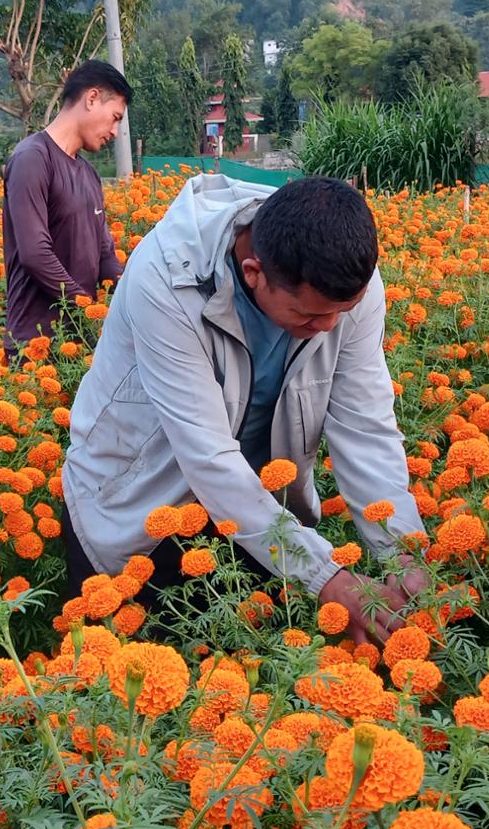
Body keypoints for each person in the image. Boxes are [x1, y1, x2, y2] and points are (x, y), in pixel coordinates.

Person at [60, 173, 429, 645]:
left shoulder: (343, 281)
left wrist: (402, 553)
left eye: (344, 310)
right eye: (312, 316)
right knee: (119, 681)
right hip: (140, 503)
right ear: (253, 272)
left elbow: (365, 424)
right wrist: (326, 577)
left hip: (258, 518)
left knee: (247, 663)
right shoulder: (169, 279)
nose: (331, 326)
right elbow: (208, 456)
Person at [1, 60, 131, 356]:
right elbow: (35, 254)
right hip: (34, 347)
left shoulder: (89, 175)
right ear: (92, 98)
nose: (114, 132)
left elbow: (105, 255)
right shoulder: (32, 158)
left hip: (79, 343)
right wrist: (85, 307)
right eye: (114, 118)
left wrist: (134, 296)